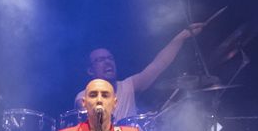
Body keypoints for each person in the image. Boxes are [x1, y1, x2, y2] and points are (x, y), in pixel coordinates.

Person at [77, 21, 208, 120]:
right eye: (100, 60)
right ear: (90, 70)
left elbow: (159, 64)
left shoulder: (128, 86)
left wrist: (183, 35)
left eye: (110, 58)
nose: (107, 62)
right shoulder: (82, 97)